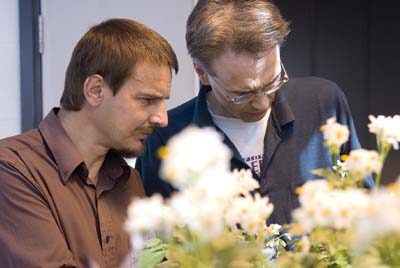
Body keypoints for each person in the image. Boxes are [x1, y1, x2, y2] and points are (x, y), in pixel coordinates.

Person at [136, 0, 373, 225]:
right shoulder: (165, 140)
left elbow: (365, 211)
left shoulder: (323, 104)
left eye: (272, 83)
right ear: (202, 73)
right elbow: (159, 250)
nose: (261, 104)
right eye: (242, 94)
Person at [0, 18, 178, 268]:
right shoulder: (13, 171)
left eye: (163, 101)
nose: (163, 118)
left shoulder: (129, 182)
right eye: (147, 100)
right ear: (95, 90)